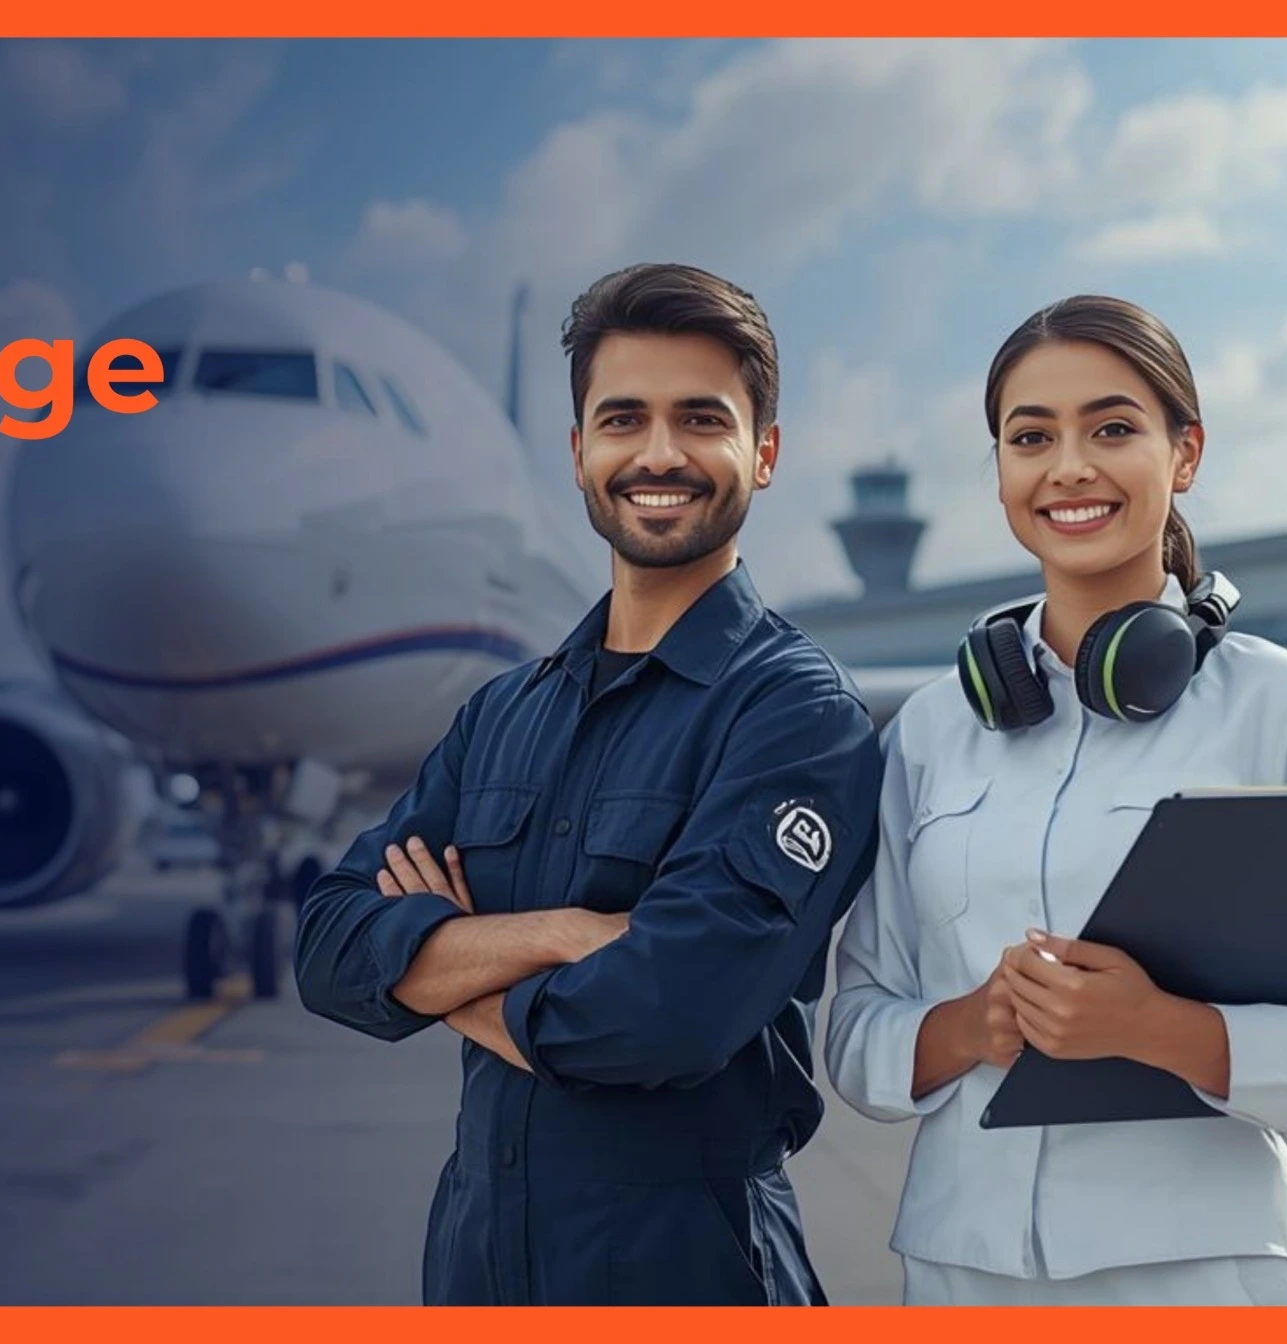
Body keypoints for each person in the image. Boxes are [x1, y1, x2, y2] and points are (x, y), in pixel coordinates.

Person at [293, 262, 885, 1306]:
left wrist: (437, 972)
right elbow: (329, 948)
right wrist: (565, 934)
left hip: (686, 1275)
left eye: (700, 418)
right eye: (623, 419)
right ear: (579, 454)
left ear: (764, 452)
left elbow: (660, 1019)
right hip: (475, 1270)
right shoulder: (499, 715)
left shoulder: (795, 714)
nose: (658, 454)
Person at [824, 294, 1287, 1306]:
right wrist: (974, 1025)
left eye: (1111, 429)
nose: (1068, 467)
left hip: (1201, 1278)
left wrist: (1156, 1029)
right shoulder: (930, 732)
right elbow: (852, 1035)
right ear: (1000, 471)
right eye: (1031, 438)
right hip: (958, 1272)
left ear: (1184, 454)